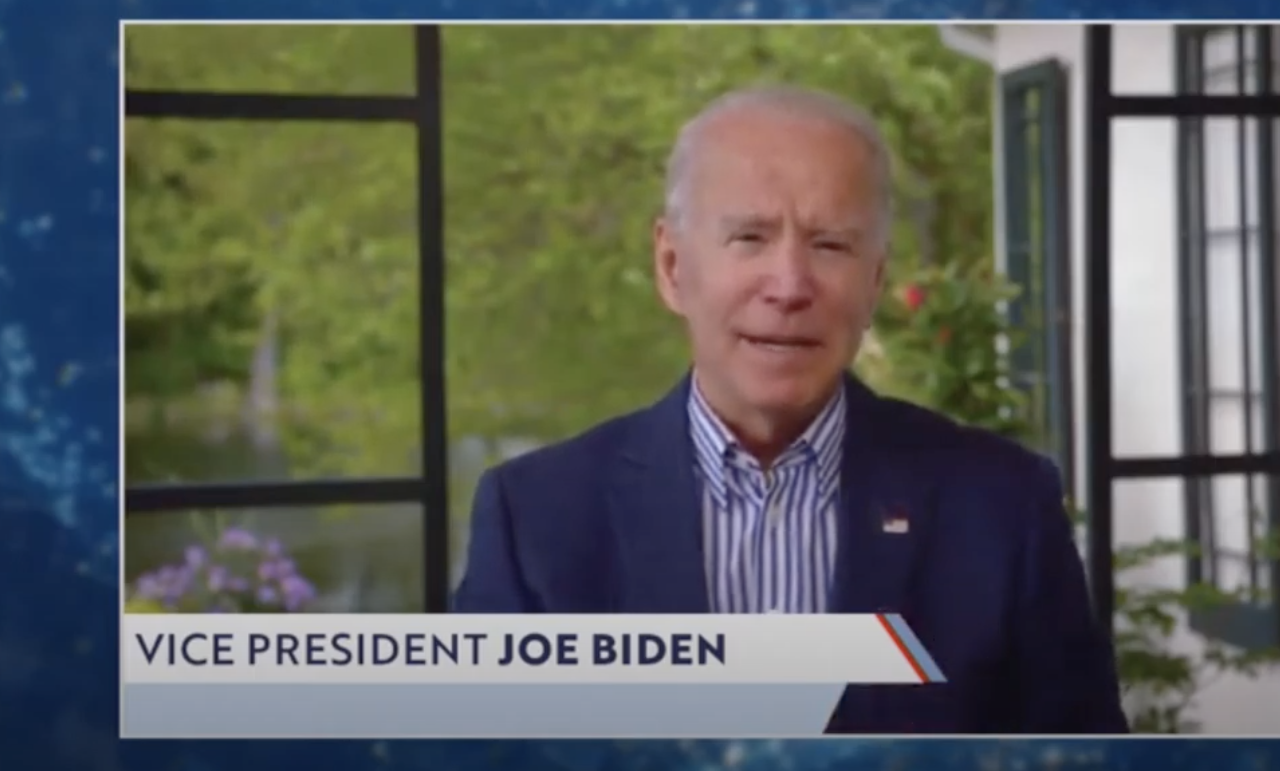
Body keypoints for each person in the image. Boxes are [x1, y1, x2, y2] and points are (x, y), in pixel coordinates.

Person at [452, 85, 1128, 734]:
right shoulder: (537, 519)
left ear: (875, 280)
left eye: (830, 244)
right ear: (672, 266)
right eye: (749, 237)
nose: (789, 286)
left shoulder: (1003, 508)